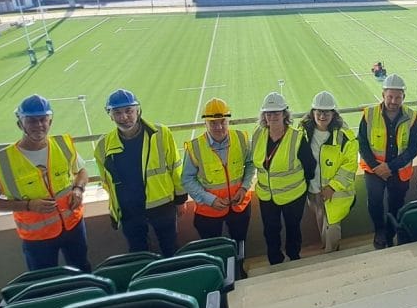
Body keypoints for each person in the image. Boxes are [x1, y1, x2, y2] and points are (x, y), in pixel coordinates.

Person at [0, 94, 90, 271]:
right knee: (44, 283)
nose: (39, 125)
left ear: (50, 122)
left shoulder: (62, 145)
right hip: (37, 238)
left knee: (83, 269)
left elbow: (82, 171)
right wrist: (28, 205)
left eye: (43, 119)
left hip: (73, 226)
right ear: (20, 124)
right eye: (31, 121)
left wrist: (78, 189)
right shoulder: (2, 161)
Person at [93, 89, 186, 257]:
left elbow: (175, 167)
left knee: (171, 249)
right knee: (138, 254)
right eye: (117, 112)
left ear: (138, 110)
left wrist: (181, 199)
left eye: (129, 111)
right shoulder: (102, 146)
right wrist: (116, 213)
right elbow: (108, 183)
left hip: (162, 206)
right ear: (110, 115)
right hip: (130, 211)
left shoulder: (161, 134)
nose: (124, 117)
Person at [182, 98, 255, 248]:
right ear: (205, 123)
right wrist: (210, 200)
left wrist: (244, 188)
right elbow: (187, 179)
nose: (219, 127)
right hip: (209, 211)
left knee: (240, 244)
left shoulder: (241, 139)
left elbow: (250, 164)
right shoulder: (195, 147)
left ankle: (239, 269)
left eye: (223, 121)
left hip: (239, 205)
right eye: (213, 123)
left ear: (228, 121)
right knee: (213, 248)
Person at [358, 74, 417, 249]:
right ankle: (379, 231)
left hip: (399, 170)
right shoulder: (369, 115)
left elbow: (413, 148)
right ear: (383, 95)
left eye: (397, 97)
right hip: (374, 170)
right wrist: (376, 167)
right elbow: (362, 143)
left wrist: (390, 167)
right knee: (375, 201)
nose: (393, 101)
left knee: (397, 203)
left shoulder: (412, 116)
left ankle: (391, 233)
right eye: (390, 96)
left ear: (403, 97)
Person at [252, 92, 310, 265]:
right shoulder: (258, 135)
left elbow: (309, 166)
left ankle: (294, 257)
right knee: (270, 230)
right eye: (268, 113)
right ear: (264, 116)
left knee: (293, 228)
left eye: (276, 113)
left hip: (293, 195)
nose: (272, 117)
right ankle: (275, 260)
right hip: (266, 195)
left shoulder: (297, 136)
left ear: (285, 114)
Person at [297, 91, 358, 253]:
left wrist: (332, 187)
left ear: (333, 113)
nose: (322, 116)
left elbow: (349, 166)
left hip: (334, 191)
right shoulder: (303, 131)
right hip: (312, 188)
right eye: (318, 112)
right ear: (313, 112)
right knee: (320, 219)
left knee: (332, 224)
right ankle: (326, 248)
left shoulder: (345, 137)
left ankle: (331, 254)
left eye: (326, 112)